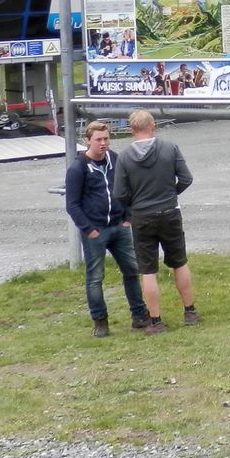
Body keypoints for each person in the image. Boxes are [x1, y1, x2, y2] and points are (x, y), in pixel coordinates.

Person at [112, 109, 198, 335]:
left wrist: (135, 203)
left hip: (141, 217)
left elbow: (119, 193)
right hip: (169, 211)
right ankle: (189, 311)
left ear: (131, 130)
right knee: (179, 262)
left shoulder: (124, 157)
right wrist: (171, 193)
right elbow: (187, 178)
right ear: (154, 127)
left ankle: (156, 321)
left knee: (148, 270)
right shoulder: (170, 148)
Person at [63, 119, 148, 337]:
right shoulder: (78, 168)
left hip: (119, 226)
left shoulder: (115, 159)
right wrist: (88, 229)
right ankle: (100, 320)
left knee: (131, 269)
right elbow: (72, 204)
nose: (103, 143)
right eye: (98, 140)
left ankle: (139, 316)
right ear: (88, 141)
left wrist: (127, 218)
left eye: (106, 139)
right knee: (95, 276)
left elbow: (128, 188)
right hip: (96, 230)